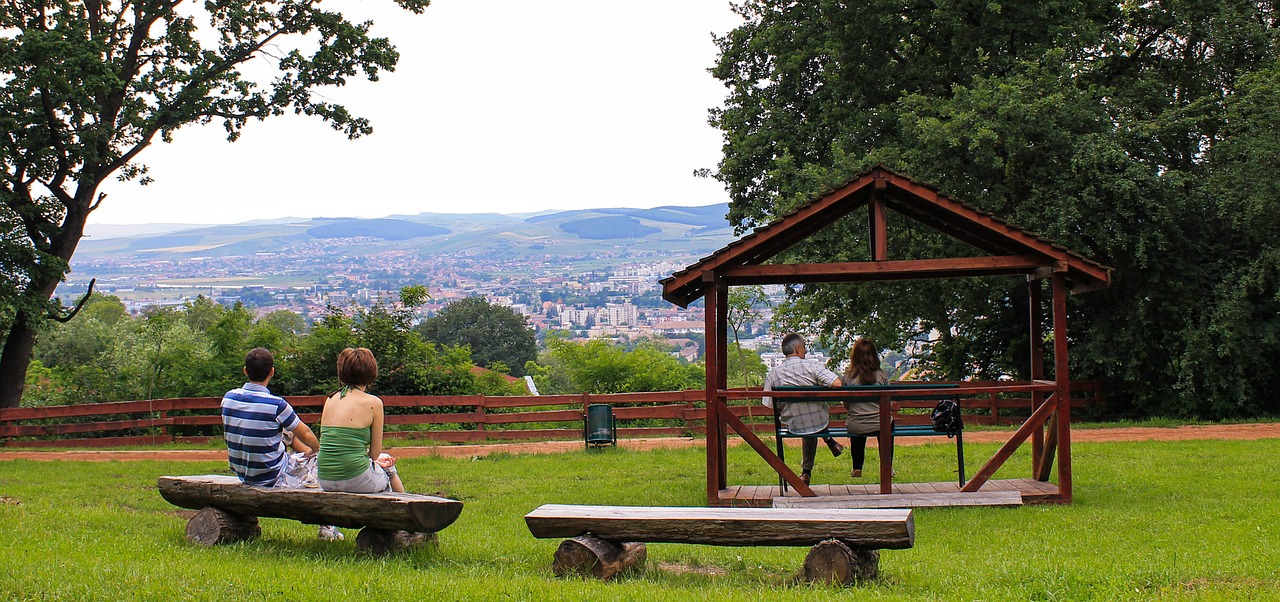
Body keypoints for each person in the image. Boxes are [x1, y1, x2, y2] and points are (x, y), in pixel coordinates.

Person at [221, 347, 342, 540]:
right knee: (322, 463)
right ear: (272, 372)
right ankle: (328, 527)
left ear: (245, 370)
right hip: (270, 475)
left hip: (243, 472)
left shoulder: (228, 398)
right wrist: (318, 451)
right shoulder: (277, 405)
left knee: (284, 433)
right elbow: (306, 434)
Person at [317, 347, 405, 494]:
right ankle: (404, 509)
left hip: (325, 478)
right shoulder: (374, 403)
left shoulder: (330, 399)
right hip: (356, 478)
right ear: (371, 372)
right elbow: (375, 454)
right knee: (388, 468)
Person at [763, 333, 844, 485]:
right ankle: (829, 443)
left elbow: (768, 404)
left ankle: (806, 473)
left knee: (806, 422)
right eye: (804, 348)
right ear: (798, 349)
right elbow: (838, 384)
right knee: (811, 418)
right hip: (819, 420)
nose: (805, 351)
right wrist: (818, 388)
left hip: (792, 424)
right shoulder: (812, 366)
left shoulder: (773, 374)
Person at [842, 337, 893, 478]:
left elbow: (846, 405)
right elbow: (889, 404)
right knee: (887, 423)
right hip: (881, 424)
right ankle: (888, 466)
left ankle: (857, 466)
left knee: (857, 421)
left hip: (856, 425)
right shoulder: (882, 376)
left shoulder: (848, 377)